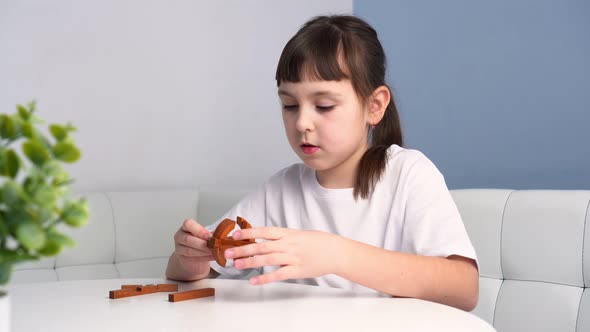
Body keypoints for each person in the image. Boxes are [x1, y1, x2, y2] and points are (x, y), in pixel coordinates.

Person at [166, 14, 479, 311]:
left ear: (374, 106)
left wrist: (337, 254)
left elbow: (464, 288)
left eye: (324, 106)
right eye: (289, 105)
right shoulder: (280, 190)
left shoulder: (407, 174)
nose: (302, 122)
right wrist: (190, 261)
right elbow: (191, 272)